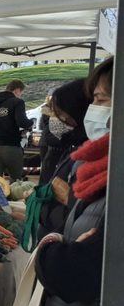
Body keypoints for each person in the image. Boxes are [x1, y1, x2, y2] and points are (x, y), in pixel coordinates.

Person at [35, 56, 113, 306]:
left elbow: (78, 272)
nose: (95, 110)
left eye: (102, 99)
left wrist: (50, 247)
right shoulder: (99, 168)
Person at [36, 79, 90, 238]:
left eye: (61, 114)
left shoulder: (86, 155)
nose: (58, 119)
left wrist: (68, 199)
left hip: (61, 236)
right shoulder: (73, 147)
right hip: (53, 230)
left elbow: (75, 210)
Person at [0, 79, 34, 180]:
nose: (20, 95)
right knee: (16, 184)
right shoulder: (17, 102)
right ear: (17, 90)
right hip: (12, 148)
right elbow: (22, 122)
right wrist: (31, 123)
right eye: (21, 93)